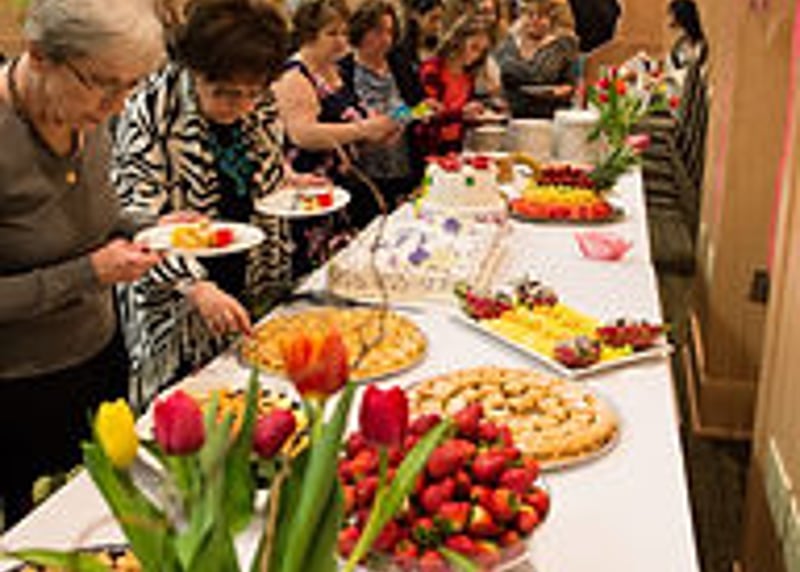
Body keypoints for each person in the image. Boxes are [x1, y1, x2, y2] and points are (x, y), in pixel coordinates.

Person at [0, 0, 163, 525]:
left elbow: (89, 221)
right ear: (39, 55)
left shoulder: (82, 114)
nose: (117, 106)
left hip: (97, 356)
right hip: (20, 389)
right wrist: (87, 275)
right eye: (103, 84)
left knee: (110, 520)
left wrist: (150, 226)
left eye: (131, 86)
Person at [112, 0, 295, 408]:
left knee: (258, 399)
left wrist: (289, 183)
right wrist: (194, 285)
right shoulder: (152, 109)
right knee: (187, 413)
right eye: (225, 93)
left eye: (252, 93)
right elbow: (135, 214)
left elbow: (260, 178)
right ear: (195, 71)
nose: (242, 106)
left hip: (249, 270)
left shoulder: (262, 103)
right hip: (175, 292)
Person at [274, 0, 399, 256]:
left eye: (344, 33)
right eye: (331, 34)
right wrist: (365, 129)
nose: (341, 41)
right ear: (308, 36)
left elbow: (348, 126)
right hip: (307, 190)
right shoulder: (294, 76)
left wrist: (378, 134)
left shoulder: (337, 70)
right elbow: (303, 134)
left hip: (340, 187)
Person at [339, 0, 418, 206]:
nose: (385, 39)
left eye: (390, 32)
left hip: (402, 165)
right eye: (377, 31)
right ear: (360, 31)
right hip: (361, 174)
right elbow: (339, 119)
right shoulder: (343, 70)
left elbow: (416, 107)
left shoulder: (400, 64)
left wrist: (396, 121)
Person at [417, 15, 493, 155]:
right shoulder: (433, 70)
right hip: (428, 147)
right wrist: (461, 114)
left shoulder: (468, 76)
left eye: (481, 51)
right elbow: (425, 112)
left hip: (455, 146)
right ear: (458, 41)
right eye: (473, 47)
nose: (475, 56)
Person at [494, 0, 578, 118]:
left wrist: (551, 93)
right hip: (507, 112)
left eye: (541, 16)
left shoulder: (563, 45)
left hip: (548, 113)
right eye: (529, 15)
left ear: (554, 20)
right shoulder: (508, 43)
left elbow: (569, 84)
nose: (534, 20)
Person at [667, 0, 707, 71]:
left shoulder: (697, 44)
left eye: (671, 14)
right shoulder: (680, 40)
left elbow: (692, 70)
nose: (669, 19)